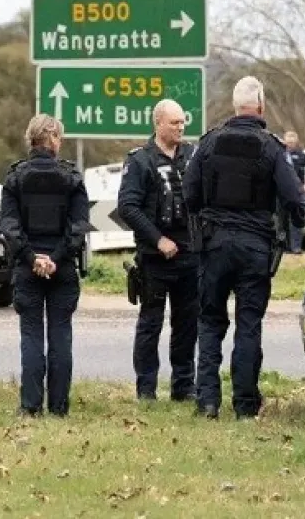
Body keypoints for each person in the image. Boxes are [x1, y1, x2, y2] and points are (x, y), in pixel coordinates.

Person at [182, 76, 305, 419]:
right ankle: (246, 406)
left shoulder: (208, 144)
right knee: (248, 323)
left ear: (234, 106)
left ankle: (207, 401)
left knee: (209, 322)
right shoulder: (271, 147)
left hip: (214, 244)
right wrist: (297, 228)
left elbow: (189, 194)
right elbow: (293, 197)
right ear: (261, 106)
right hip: (255, 247)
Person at [0, 113, 91, 417]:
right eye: (59, 136)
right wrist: (56, 258)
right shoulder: (72, 178)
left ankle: (30, 406)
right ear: (52, 138)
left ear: (32, 139)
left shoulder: (15, 178)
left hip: (27, 268)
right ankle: (59, 407)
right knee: (61, 335)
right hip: (62, 268)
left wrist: (31, 257)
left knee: (32, 335)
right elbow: (79, 226)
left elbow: (10, 226)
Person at [116, 99, 199, 402]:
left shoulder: (193, 156)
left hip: (190, 254)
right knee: (151, 323)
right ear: (159, 124)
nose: (181, 127)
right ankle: (146, 388)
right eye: (174, 123)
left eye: (182, 122)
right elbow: (127, 206)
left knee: (187, 323)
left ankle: (183, 385)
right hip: (155, 257)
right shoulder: (140, 161)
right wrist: (157, 239)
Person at [283, 131, 305, 253]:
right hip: (283, 190)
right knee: (283, 219)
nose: (290, 144)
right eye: (288, 142)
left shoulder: (302, 155)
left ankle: (296, 247)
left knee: (297, 217)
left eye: (292, 142)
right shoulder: (280, 154)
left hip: (298, 190)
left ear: (296, 142)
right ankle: (286, 247)